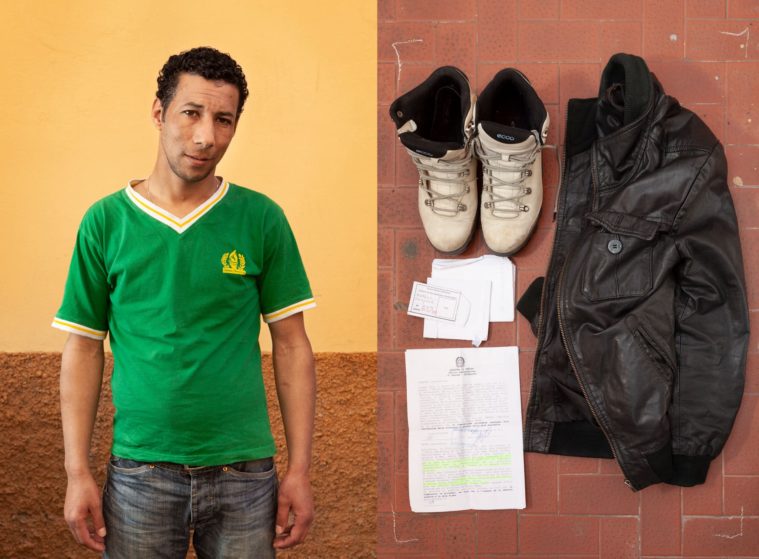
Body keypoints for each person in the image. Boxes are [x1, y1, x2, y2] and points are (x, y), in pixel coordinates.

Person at [53, 46, 316, 558]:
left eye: (224, 120)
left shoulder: (261, 218)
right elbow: (83, 349)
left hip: (245, 473)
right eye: (191, 113)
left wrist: (300, 472)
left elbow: (292, 346)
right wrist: (76, 471)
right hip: (139, 474)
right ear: (159, 112)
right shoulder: (106, 222)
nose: (206, 137)